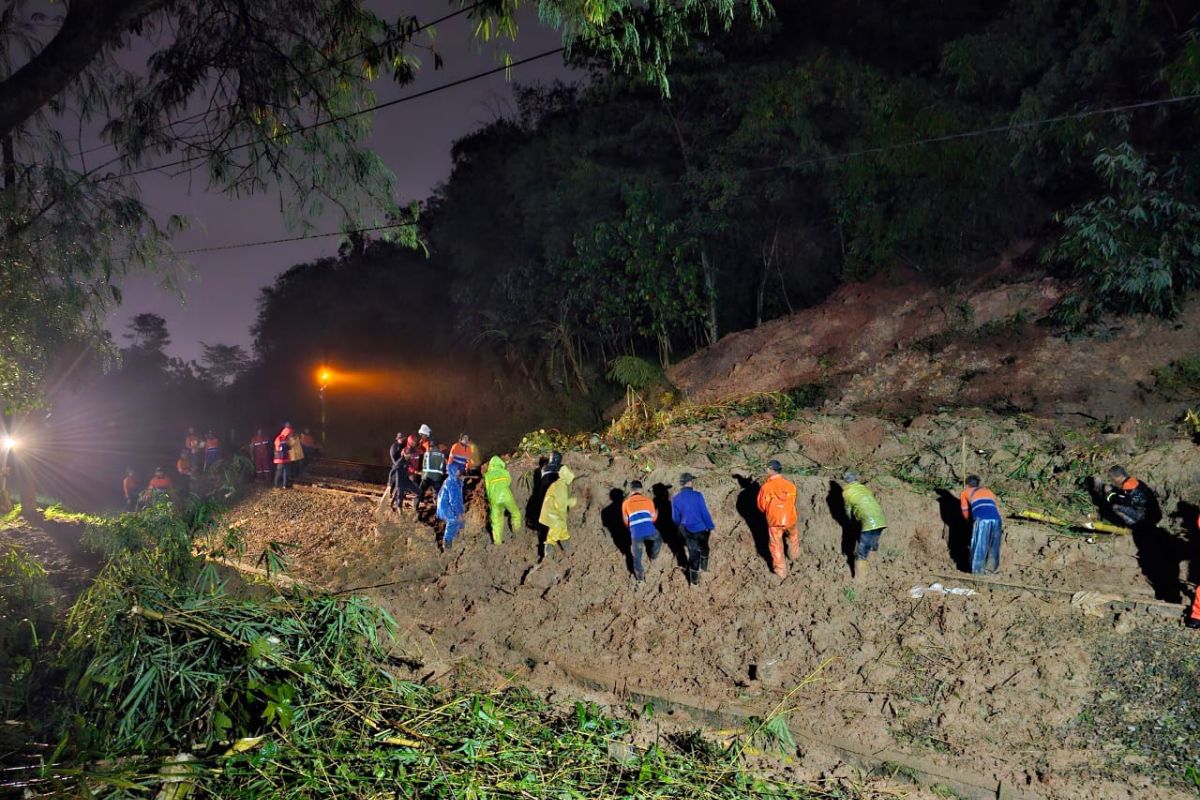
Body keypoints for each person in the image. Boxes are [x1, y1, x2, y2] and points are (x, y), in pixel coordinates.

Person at [842, 470, 888, 579]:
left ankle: (860, 578)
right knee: (871, 545)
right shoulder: (863, 488)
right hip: (881, 520)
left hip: (868, 522)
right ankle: (875, 568)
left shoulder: (846, 492)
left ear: (845, 480)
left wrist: (849, 522)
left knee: (861, 552)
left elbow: (848, 510)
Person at [757, 460, 799, 578]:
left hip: (775, 521)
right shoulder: (791, 486)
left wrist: (771, 512)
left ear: (770, 469)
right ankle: (794, 556)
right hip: (791, 518)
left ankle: (781, 572)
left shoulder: (766, 487)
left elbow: (761, 506)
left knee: (776, 545)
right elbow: (793, 502)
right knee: (793, 537)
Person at [672, 473, 715, 585]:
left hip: (687, 531)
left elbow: (675, 519)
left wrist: (680, 528)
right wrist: (710, 526)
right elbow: (704, 513)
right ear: (690, 482)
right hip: (701, 529)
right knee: (705, 548)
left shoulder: (676, 499)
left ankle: (694, 583)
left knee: (693, 555)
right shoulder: (698, 495)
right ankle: (704, 569)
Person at [960, 475, 1003, 575]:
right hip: (996, 519)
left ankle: (977, 571)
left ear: (967, 485)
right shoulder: (989, 491)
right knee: (994, 545)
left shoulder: (965, 492)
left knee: (979, 544)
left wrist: (968, 522)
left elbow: (965, 510)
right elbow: (995, 506)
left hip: (982, 519)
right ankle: (992, 570)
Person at [623, 480, 661, 581]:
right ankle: (653, 556)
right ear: (641, 490)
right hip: (650, 530)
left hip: (636, 534)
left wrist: (632, 529)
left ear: (631, 491)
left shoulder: (625, 504)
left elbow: (626, 521)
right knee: (658, 539)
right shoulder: (648, 501)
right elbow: (653, 518)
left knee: (637, 557)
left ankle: (640, 579)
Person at [538, 464, 576, 559]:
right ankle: (548, 557)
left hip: (555, 513)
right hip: (553, 514)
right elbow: (561, 503)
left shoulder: (560, 484)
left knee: (563, 533)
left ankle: (569, 552)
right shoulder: (560, 486)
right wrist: (570, 502)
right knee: (553, 535)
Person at [484, 455, 522, 544]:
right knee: (515, 513)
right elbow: (508, 482)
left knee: (496, 521)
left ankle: (498, 542)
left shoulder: (487, 476)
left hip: (494, 500)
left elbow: (487, 488)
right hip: (507, 497)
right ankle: (517, 533)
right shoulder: (505, 472)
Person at [436, 462, 465, 551]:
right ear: (453, 471)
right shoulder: (452, 484)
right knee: (454, 521)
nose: (459, 472)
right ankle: (447, 543)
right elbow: (455, 501)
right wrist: (459, 513)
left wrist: (460, 481)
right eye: (457, 470)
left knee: (461, 522)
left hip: (444, 507)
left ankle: (457, 536)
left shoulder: (450, 480)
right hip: (446, 509)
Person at [417, 438, 447, 510]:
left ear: (430, 446)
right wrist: (441, 475)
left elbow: (423, 465)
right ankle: (439, 509)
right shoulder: (442, 455)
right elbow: (443, 467)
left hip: (426, 476)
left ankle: (415, 507)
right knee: (437, 493)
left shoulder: (426, 454)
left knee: (419, 491)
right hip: (437, 477)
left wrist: (423, 474)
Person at [388, 432, 406, 505]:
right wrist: (397, 465)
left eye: (402, 438)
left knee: (399, 482)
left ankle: (397, 496)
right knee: (393, 481)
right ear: (397, 439)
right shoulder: (394, 446)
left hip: (401, 466)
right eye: (400, 438)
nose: (401, 439)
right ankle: (390, 492)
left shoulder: (404, 446)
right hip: (396, 466)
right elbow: (392, 457)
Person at [273, 423, 293, 488]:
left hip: (284, 458)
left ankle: (284, 485)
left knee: (285, 471)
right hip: (280, 458)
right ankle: (276, 484)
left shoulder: (281, 439)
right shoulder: (281, 439)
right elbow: (279, 448)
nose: (290, 435)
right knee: (280, 472)